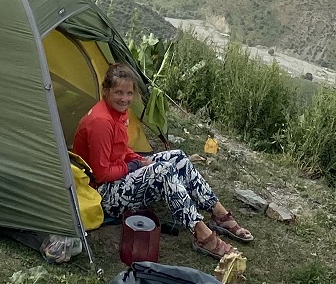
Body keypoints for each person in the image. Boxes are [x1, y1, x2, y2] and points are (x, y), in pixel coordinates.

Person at [73, 61, 254, 262]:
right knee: (163, 172)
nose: (124, 99)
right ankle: (202, 234)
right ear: (105, 91)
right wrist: (135, 166)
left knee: (177, 157)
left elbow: (121, 149)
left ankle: (218, 213)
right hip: (102, 194)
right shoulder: (101, 122)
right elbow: (102, 174)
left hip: (117, 178)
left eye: (129, 93)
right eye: (118, 93)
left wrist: (141, 160)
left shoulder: (117, 113)